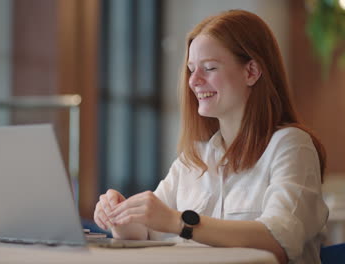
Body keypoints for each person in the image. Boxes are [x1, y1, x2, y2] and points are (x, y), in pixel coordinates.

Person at [93, 9, 328, 264]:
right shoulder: (193, 158)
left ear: (251, 72)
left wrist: (178, 221)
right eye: (191, 69)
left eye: (209, 68)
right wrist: (120, 215)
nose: (194, 81)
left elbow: (279, 241)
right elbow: (144, 231)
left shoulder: (291, 146)